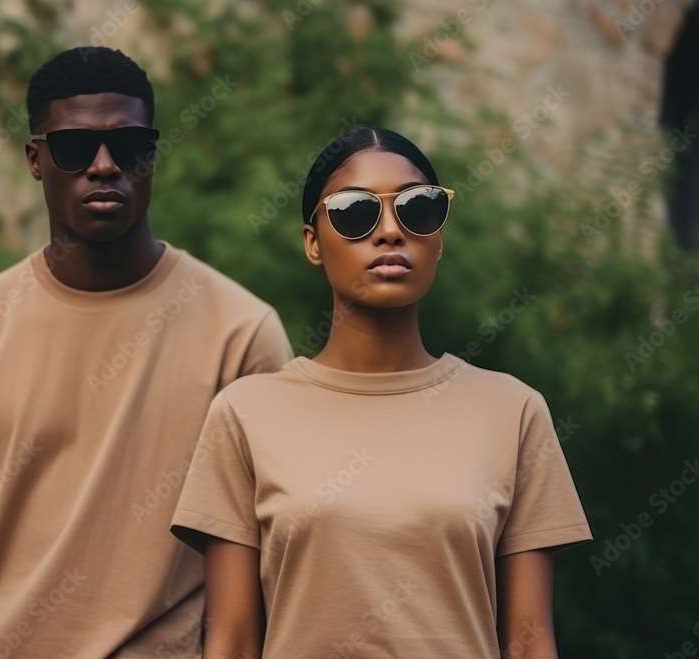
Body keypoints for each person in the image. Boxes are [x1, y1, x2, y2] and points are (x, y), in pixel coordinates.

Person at [0, 47, 292, 659]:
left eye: (129, 146)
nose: (104, 166)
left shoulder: (242, 334)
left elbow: (267, 558)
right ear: (35, 159)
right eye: (76, 147)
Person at [170, 126, 592, 658]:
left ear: (439, 236)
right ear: (312, 242)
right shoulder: (245, 414)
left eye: (417, 210)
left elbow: (530, 645)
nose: (390, 231)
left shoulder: (512, 411)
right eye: (353, 213)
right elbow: (230, 641)